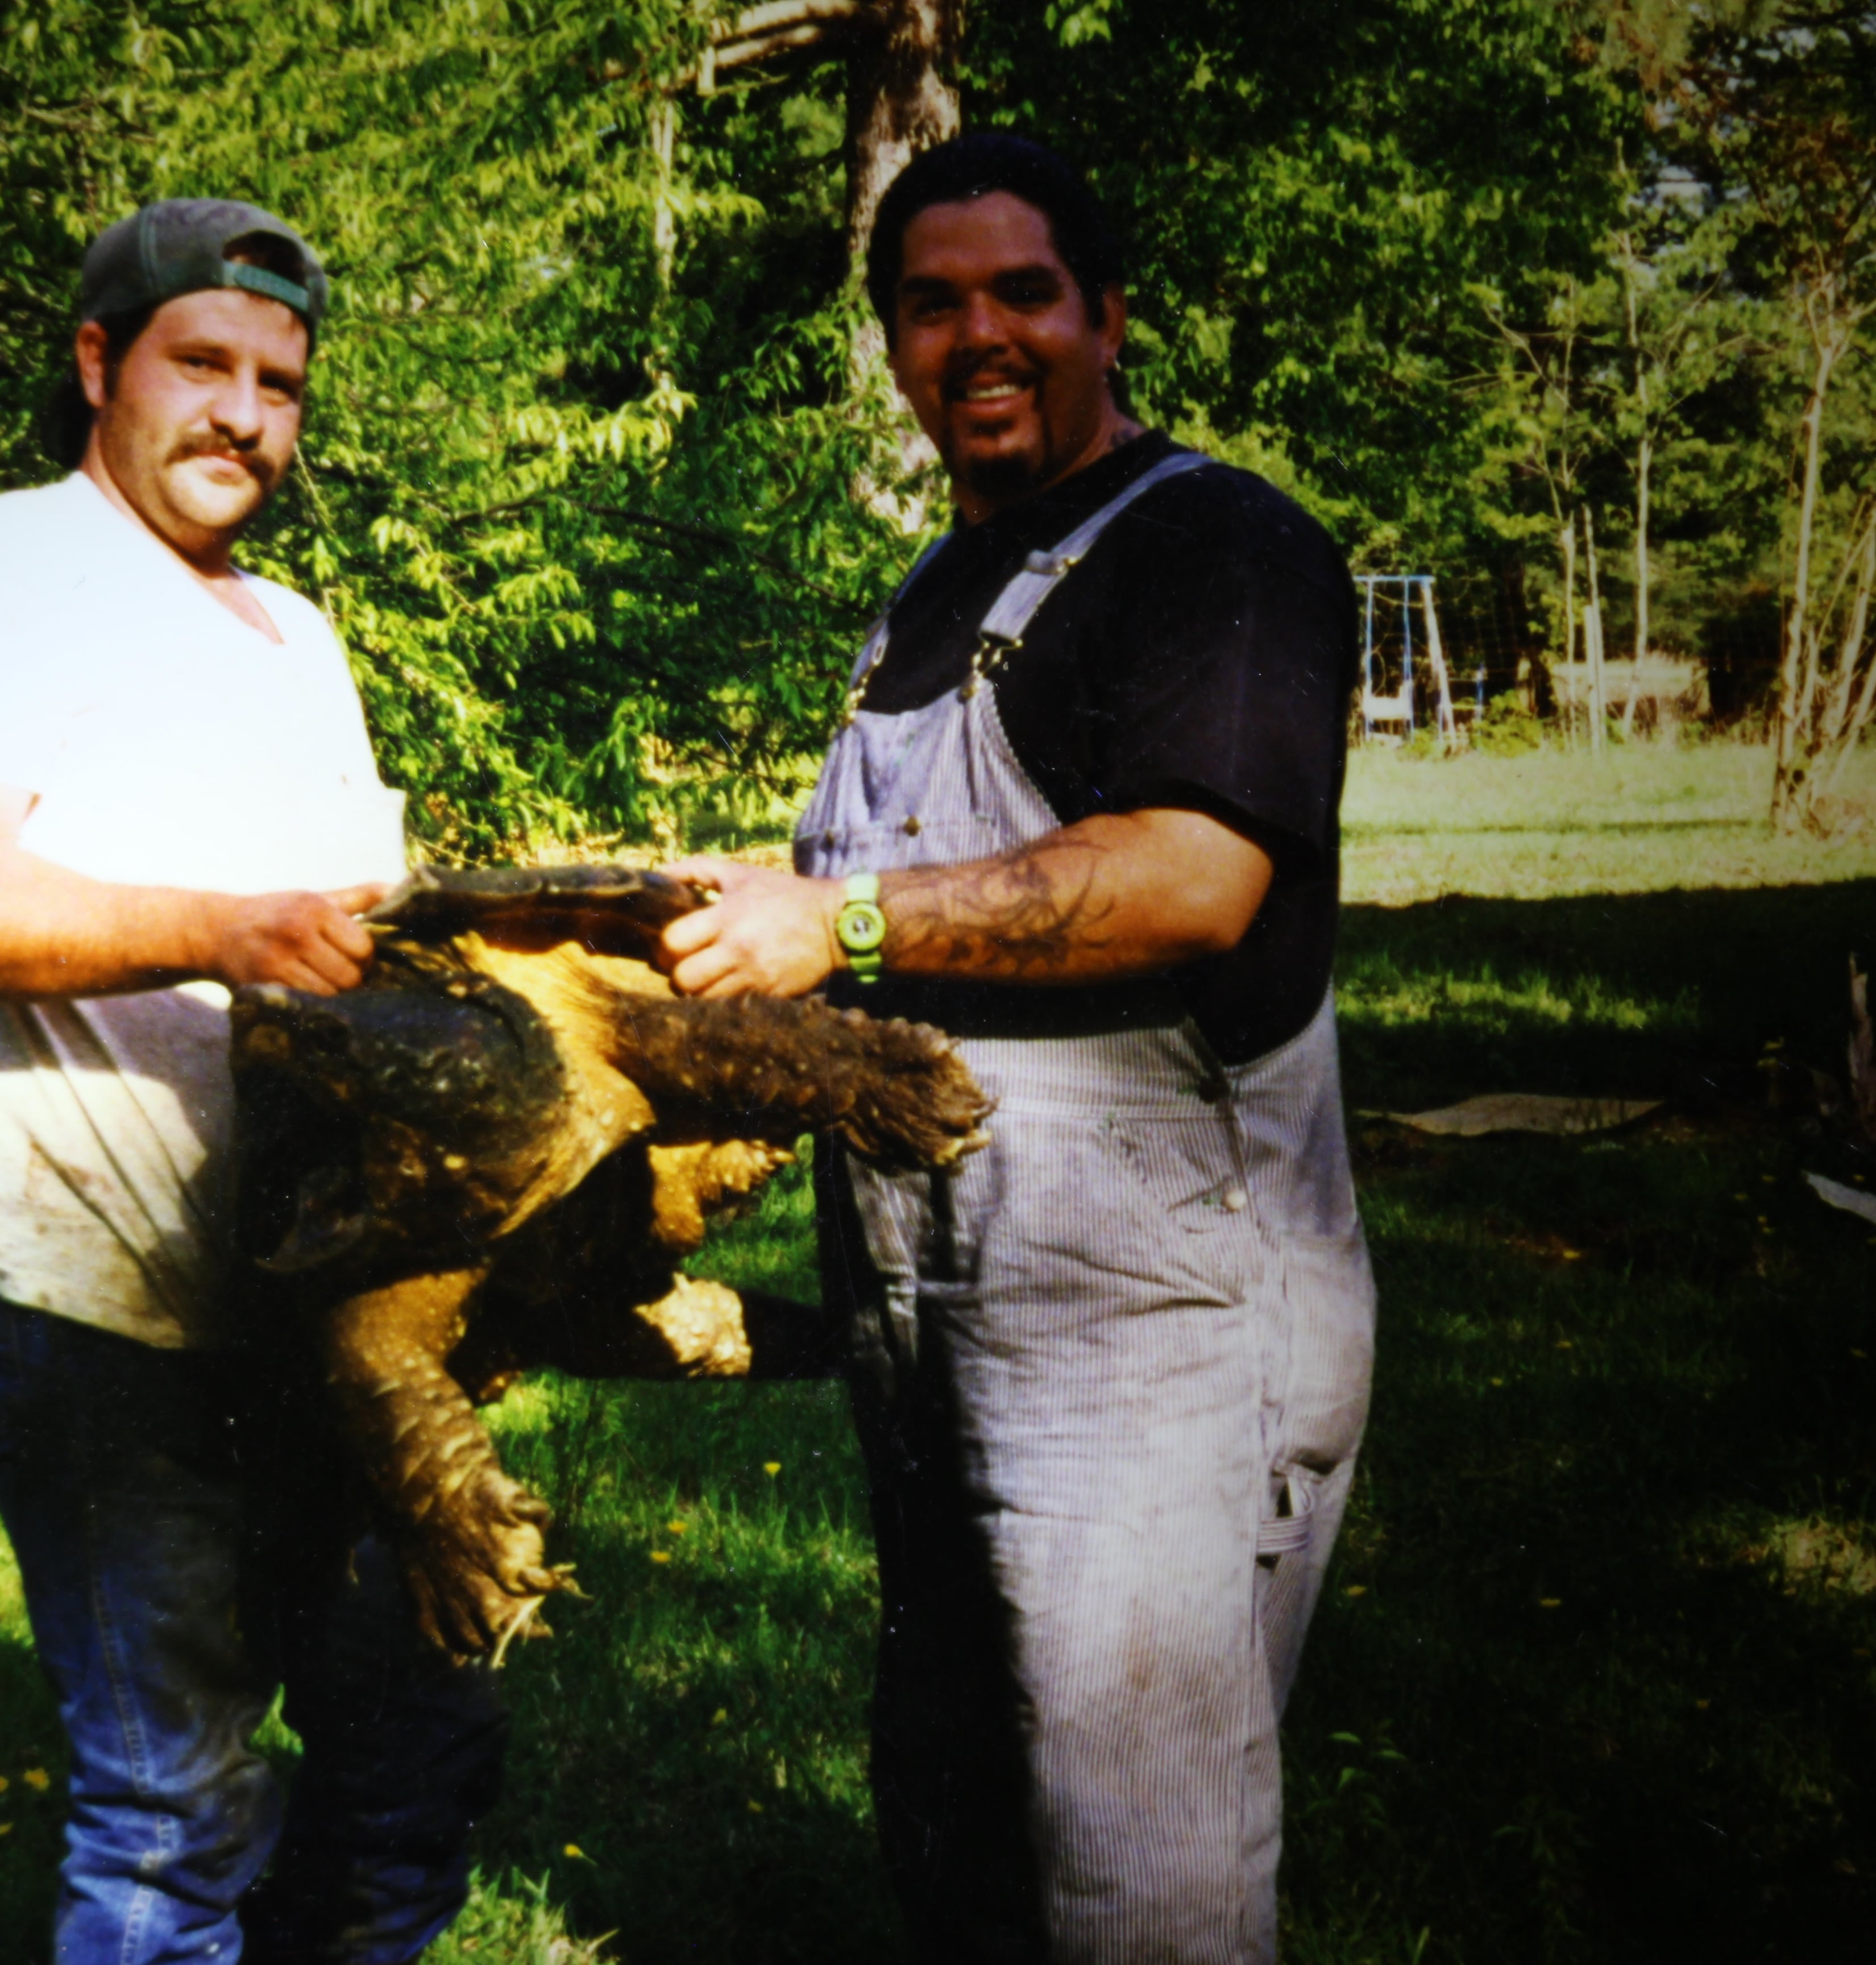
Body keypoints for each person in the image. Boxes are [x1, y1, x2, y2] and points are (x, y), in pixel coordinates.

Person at [659, 134, 1378, 1964]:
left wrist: (844, 925)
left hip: (1153, 1344)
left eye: (1023, 293)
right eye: (931, 302)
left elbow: (1192, 879)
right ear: (895, 342)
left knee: (1141, 1883)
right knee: (967, 1835)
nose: (978, 334)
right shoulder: (928, 601)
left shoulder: (1220, 548)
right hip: (937, 1327)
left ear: (1108, 315)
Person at [0, 200, 488, 1965]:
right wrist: (220, 927)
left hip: (320, 1304)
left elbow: (360, 943)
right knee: (174, 1811)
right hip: (98, 1308)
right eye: (200, 365)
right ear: (94, 366)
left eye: (279, 384)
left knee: (410, 1763)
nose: (245, 417)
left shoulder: (296, 633)